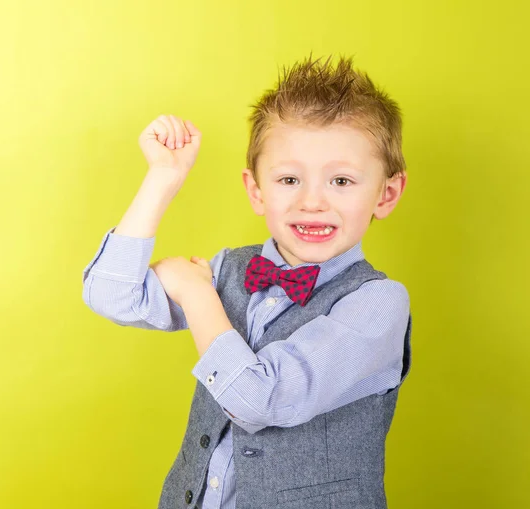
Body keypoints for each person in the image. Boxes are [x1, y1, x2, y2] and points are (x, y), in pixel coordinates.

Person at [82, 54, 412, 509]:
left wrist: (196, 294)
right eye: (289, 178)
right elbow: (110, 294)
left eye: (341, 180)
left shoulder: (377, 304)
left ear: (386, 193)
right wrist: (163, 179)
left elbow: (260, 400)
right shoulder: (230, 269)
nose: (312, 201)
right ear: (256, 190)